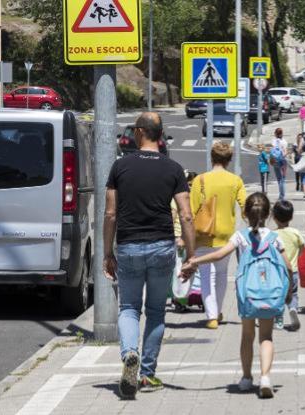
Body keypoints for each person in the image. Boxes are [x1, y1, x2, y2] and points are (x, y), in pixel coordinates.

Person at [103, 112, 196, 399]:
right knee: (156, 311)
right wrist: (191, 255)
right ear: (160, 134)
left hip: (129, 245)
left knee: (129, 308)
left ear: (141, 132)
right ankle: (146, 374)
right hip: (162, 247)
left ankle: (129, 352)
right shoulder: (174, 169)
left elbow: (110, 213)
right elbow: (187, 214)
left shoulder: (120, 166)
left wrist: (108, 252)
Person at [182, 193, 293, 398]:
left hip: (248, 294)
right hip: (270, 293)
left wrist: (195, 261)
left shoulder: (240, 236)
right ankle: (266, 377)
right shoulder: (274, 238)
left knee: (247, 335)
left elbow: (219, 254)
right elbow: (287, 266)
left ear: (245, 215)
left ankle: (246, 377)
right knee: (266, 337)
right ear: (268, 214)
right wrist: (289, 290)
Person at [190, 141, 247, 329]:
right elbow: (245, 206)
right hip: (226, 234)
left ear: (211, 157)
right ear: (229, 160)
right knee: (222, 273)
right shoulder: (235, 181)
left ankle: (211, 315)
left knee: (206, 275)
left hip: (204, 233)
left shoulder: (200, 180)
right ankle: (218, 311)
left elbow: (191, 210)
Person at [272, 200, 304, 331]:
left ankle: (279, 321)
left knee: (277, 296)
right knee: (293, 293)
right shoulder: (295, 232)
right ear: (291, 217)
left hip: (277, 272)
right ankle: (293, 308)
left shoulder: (273, 234)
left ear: (274, 217)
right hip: (293, 271)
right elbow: (302, 247)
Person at [271, 128, 288, 200]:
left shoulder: (274, 141)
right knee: (282, 179)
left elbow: (273, 151)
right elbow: (285, 152)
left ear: (275, 134)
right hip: (283, 161)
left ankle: (281, 195)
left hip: (275, 161)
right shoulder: (284, 142)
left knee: (279, 179)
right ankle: (282, 196)